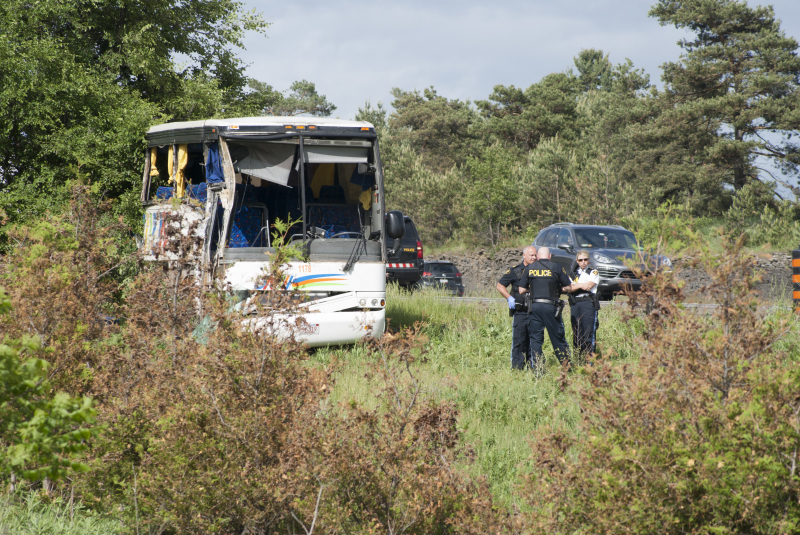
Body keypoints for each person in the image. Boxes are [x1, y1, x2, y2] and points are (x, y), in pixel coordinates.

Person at [518, 247, 577, 373]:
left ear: (538, 256)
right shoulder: (556, 267)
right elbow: (569, 287)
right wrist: (556, 288)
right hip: (551, 307)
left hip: (534, 308)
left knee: (535, 339)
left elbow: (521, 290)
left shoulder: (529, 268)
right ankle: (567, 368)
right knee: (557, 338)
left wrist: (534, 290)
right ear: (549, 256)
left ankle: (538, 369)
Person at [496, 246, 537, 370]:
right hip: (520, 311)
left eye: (535, 255)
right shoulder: (515, 271)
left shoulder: (539, 270)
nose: (534, 257)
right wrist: (509, 298)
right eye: (531, 255)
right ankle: (517, 368)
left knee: (534, 340)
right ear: (524, 255)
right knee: (519, 340)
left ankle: (532, 367)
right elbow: (500, 286)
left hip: (535, 311)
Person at [568, 249, 600, 359]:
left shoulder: (593, 272)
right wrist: (581, 285)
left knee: (588, 332)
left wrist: (576, 285)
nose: (583, 262)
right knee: (577, 332)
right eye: (580, 260)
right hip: (575, 303)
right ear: (577, 261)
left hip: (588, 303)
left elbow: (589, 286)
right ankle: (579, 359)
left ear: (588, 260)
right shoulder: (573, 274)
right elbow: (569, 288)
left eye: (585, 259)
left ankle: (590, 360)